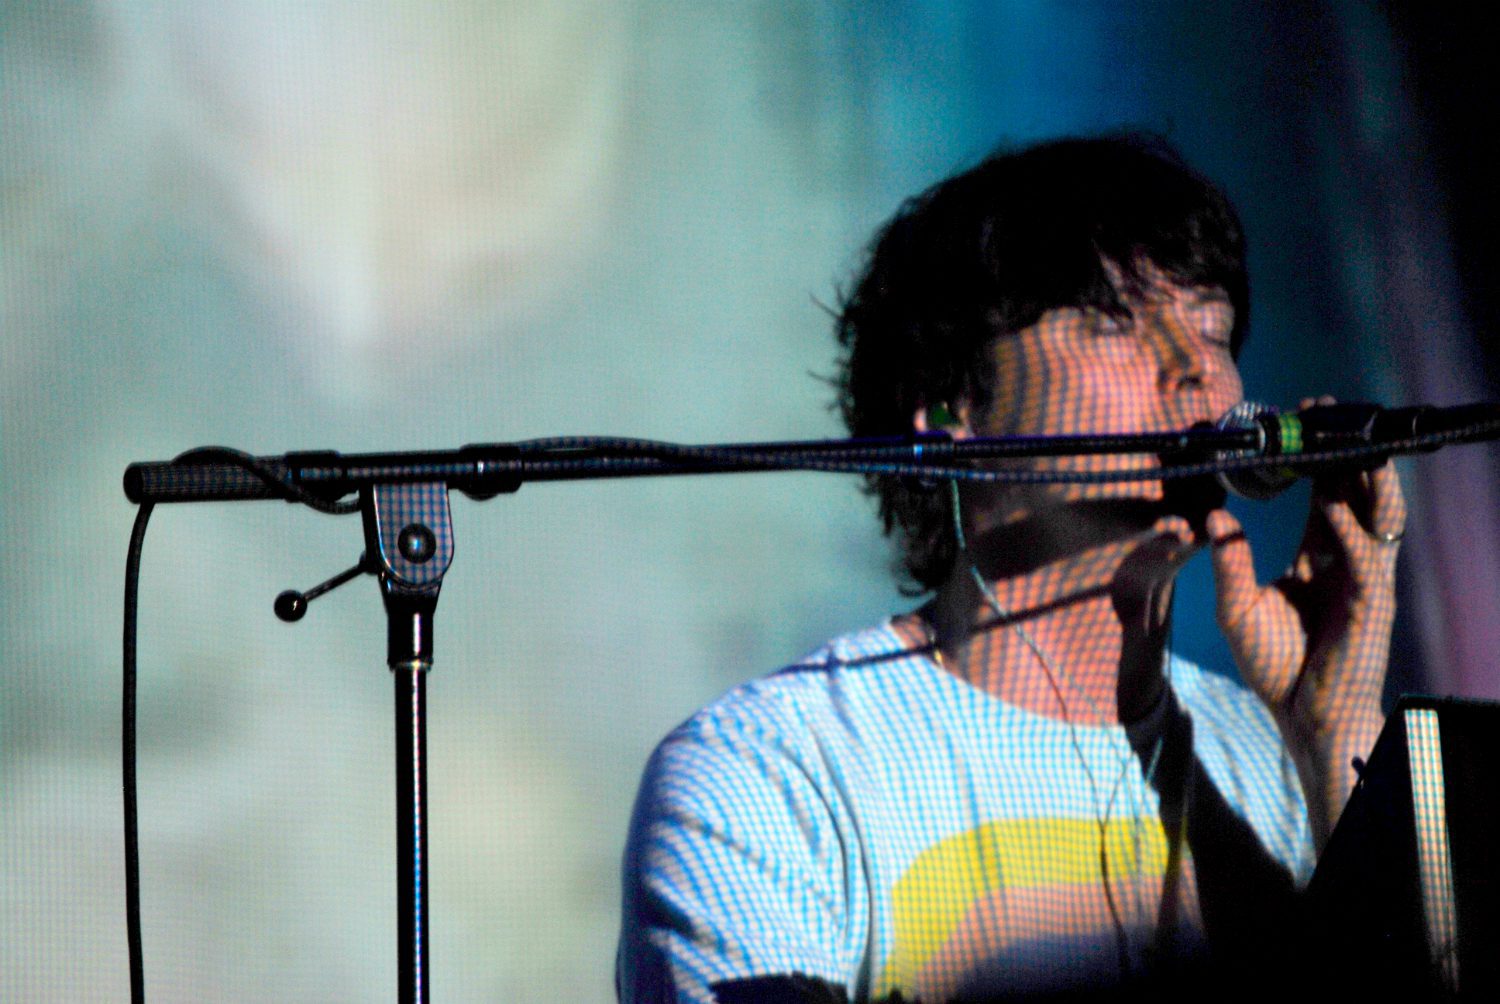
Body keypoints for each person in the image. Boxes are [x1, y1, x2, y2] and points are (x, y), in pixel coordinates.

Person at [616, 134, 1405, 1002]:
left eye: (1212, 329)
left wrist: (1336, 739)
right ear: (952, 409)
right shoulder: (772, 771)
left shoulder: (1278, 760)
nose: (1195, 372)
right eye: (1116, 322)